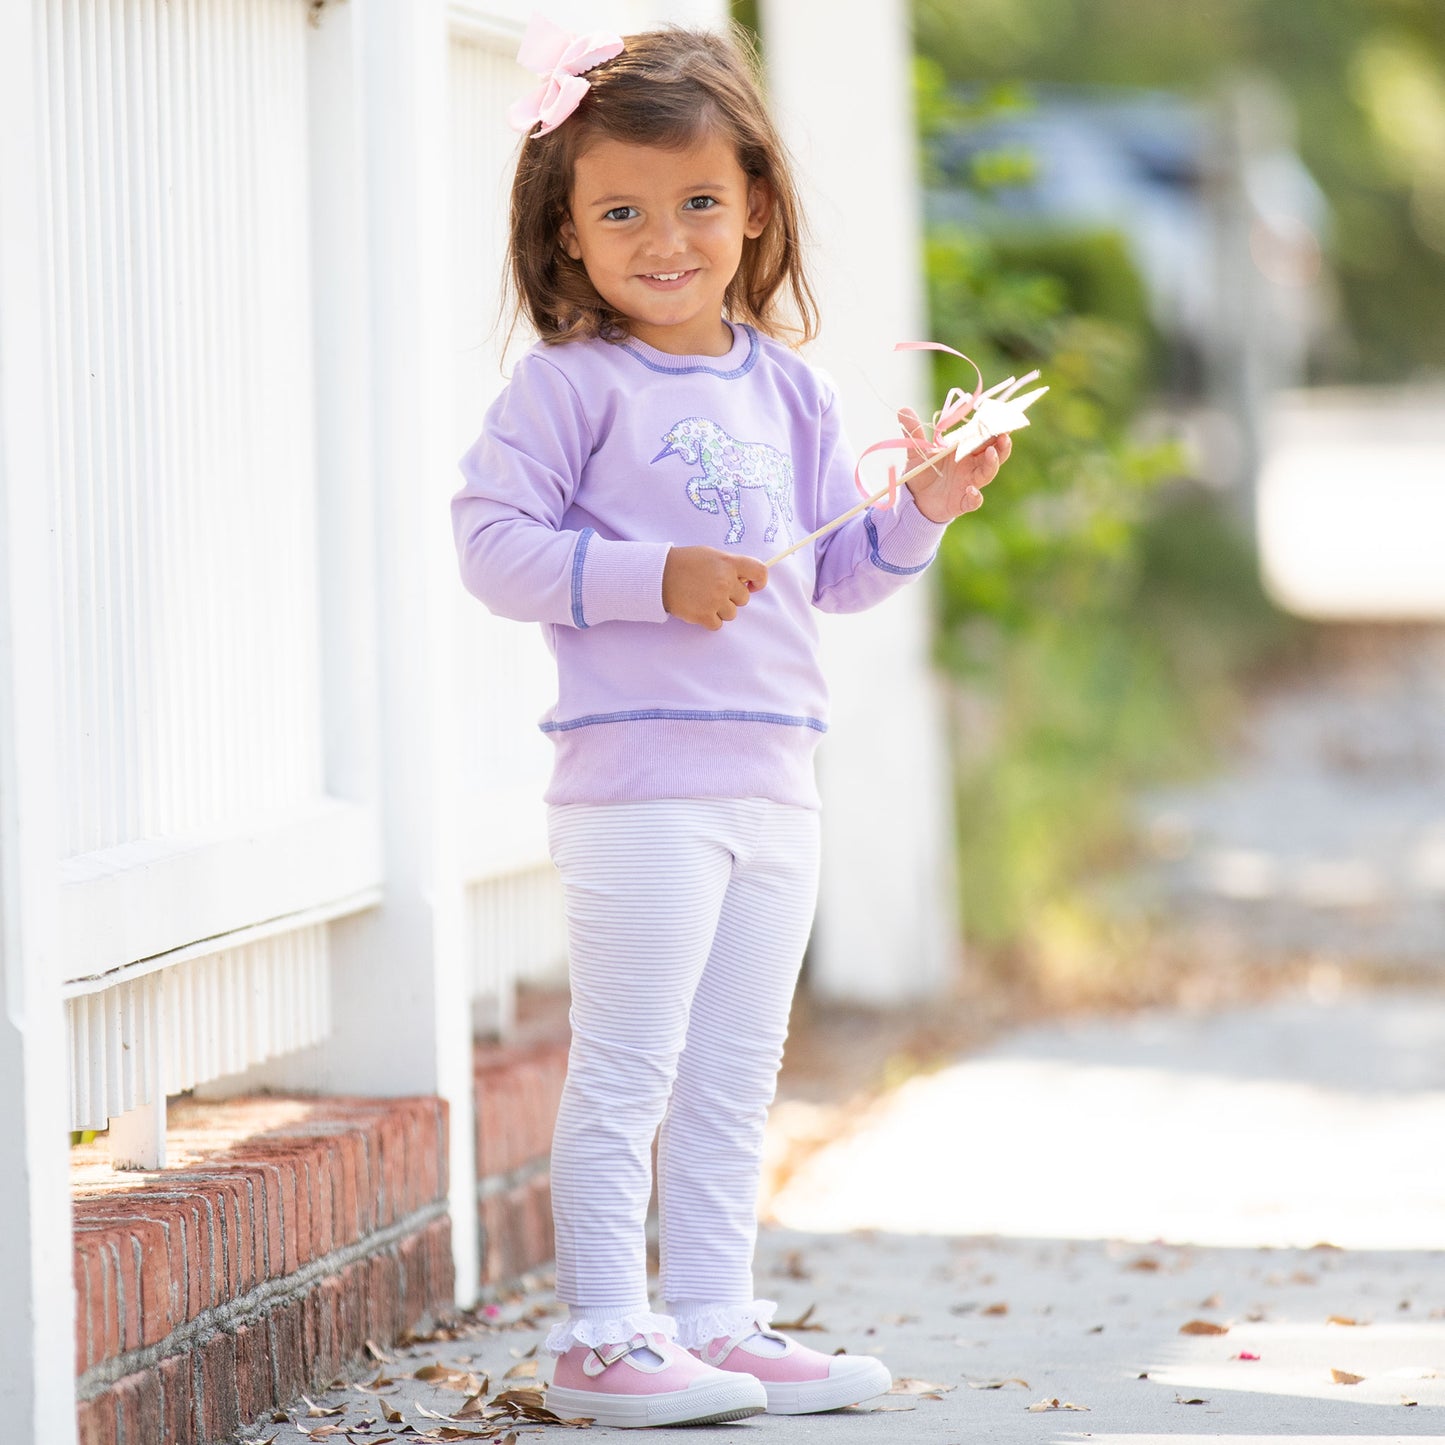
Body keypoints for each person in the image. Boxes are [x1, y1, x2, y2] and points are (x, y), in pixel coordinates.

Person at [452, 16, 1011, 1430]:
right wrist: (651, 577)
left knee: (732, 1071)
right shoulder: (569, 388)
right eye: (620, 210)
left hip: (775, 784)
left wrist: (922, 509)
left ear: (754, 202)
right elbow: (491, 545)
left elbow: (832, 573)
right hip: (639, 788)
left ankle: (709, 1314)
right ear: (566, 232)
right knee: (630, 1063)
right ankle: (597, 1335)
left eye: (698, 202)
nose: (665, 237)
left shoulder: (784, 387)